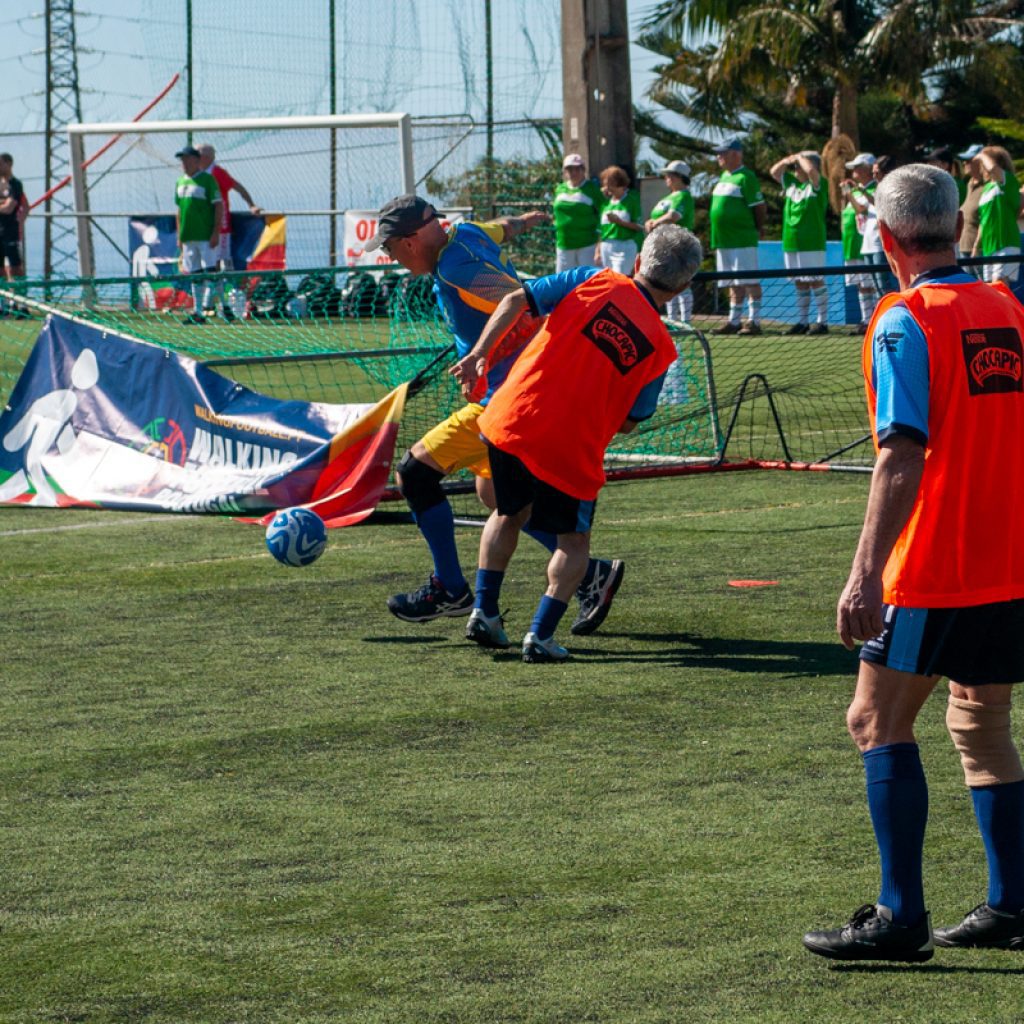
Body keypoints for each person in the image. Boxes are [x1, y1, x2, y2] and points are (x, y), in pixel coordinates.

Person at [802, 164, 1024, 963]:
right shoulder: (1008, 307)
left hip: (934, 568)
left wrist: (863, 574)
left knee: (876, 721)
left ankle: (900, 919)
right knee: (978, 722)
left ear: (887, 241)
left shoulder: (904, 320)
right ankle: (1011, 904)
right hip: (1009, 562)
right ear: (958, 229)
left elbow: (900, 455)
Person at [364, 195, 626, 636]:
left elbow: (516, 300)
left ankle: (450, 588)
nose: (390, 258)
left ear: (409, 242)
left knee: (414, 473)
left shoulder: (455, 269)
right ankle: (592, 574)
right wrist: (527, 219)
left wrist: (479, 357)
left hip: (509, 401)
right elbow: (505, 227)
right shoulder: (466, 232)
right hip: (514, 392)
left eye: (388, 249)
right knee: (498, 498)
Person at [450, 224, 703, 662]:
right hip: (569, 447)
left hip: (512, 414)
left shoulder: (591, 278)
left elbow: (516, 299)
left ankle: (483, 612)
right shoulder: (661, 348)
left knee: (507, 511)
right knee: (574, 541)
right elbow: (630, 422)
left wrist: (478, 354)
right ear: (683, 285)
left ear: (639, 261)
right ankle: (540, 636)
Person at [196, 143, 262, 319]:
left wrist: (251, 204)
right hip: (204, 228)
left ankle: (220, 304)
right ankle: (212, 304)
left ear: (206, 157)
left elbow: (237, 186)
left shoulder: (217, 173)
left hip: (221, 228)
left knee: (219, 265)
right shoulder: (199, 174)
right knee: (208, 266)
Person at [709, 138, 765, 336]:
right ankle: (734, 321)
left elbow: (758, 207)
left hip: (742, 239)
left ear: (735, 154)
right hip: (723, 240)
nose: (718, 157)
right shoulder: (724, 177)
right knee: (732, 281)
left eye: (722, 153)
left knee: (749, 280)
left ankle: (754, 321)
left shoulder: (746, 177)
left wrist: (758, 228)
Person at [770, 150, 830, 335]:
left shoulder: (818, 184)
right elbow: (774, 172)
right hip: (791, 241)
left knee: (815, 280)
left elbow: (812, 172)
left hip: (811, 241)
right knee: (799, 282)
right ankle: (803, 321)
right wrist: (788, 159)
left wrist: (799, 158)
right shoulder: (791, 184)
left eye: (799, 166)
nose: (796, 168)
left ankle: (822, 322)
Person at [173, 145, 222, 326]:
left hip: (205, 235)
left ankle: (222, 306)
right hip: (188, 236)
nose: (184, 163)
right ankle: (198, 311)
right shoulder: (180, 182)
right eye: (182, 160)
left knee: (211, 271)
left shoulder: (207, 180)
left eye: (187, 159)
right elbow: (179, 210)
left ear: (196, 160)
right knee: (195, 273)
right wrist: (180, 234)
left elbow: (218, 205)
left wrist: (215, 231)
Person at [645, 160, 695, 322]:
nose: (667, 178)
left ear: (679, 177)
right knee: (667, 283)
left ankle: (686, 320)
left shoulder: (683, 196)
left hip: (680, 245)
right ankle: (672, 319)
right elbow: (655, 217)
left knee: (682, 282)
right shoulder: (667, 197)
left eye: (670, 175)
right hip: (664, 245)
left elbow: (673, 216)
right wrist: (650, 223)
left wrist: (656, 222)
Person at [974, 146, 1022, 287]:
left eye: (984, 164)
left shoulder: (1008, 180)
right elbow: (984, 219)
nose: (982, 168)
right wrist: (976, 246)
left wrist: (982, 155)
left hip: (1005, 243)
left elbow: (993, 169)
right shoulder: (987, 188)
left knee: (1000, 287)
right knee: (991, 290)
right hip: (989, 247)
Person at [553, 154, 603, 272]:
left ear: (583, 170)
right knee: (563, 282)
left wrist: (599, 244)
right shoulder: (560, 189)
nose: (573, 172)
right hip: (564, 243)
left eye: (577, 168)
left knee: (587, 281)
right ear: (565, 171)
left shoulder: (593, 189)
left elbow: (603, 215)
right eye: (570, 169)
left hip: (587, 245)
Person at [596, 165, 644, 276]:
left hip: (624, 246)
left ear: (619, 183)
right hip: (606, 246)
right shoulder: (606, 204)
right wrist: (597, 251)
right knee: (609, 279)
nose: (606, 187)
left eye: (610, 183)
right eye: (605, 183)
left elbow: (639, 227)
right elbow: (600, 231)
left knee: (620, 277)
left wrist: (619, 222)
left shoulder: (631, 200)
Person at [956, 143, 985, 269]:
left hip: (980, 250)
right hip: (964, 247)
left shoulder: (988, 186)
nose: (964, 164)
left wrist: (976, 247)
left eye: (968, 161)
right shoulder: (969, 184)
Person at [0, 153, 26, 284]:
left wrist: (21, 219)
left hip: (10, 232)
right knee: (1, 269)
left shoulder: (15, 184)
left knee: (15, 267)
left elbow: (9, 208)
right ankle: (4, 300)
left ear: (9, 164)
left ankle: (20, 299)